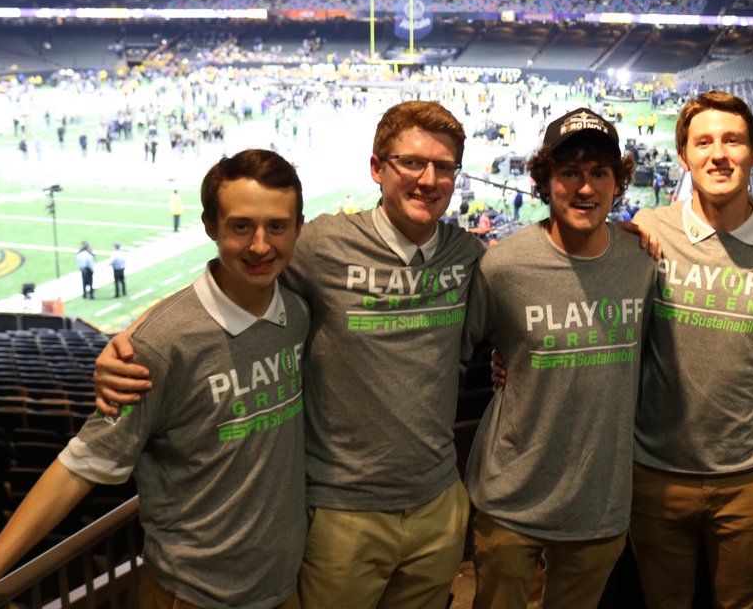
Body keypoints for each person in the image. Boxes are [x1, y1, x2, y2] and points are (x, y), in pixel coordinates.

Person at [95, 101, 486, 609]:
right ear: (377, 168)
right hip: (343, 512)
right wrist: (131, 336)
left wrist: (628, 230)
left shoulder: (468, 254)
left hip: (438, 501)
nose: (428, 179)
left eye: (443, 167)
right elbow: (229, 276)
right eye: (411, 162)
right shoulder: (322, 242)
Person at [0, 149, 310, 609]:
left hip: (283, 584)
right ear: (210, 226)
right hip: (195, 595)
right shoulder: (156, 345)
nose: (260, 245)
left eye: (277, 227)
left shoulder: (299, 310)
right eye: (241, 226)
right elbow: (79, 465)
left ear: (299, 229)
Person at [629, 92, 753, 609]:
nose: (718, 154)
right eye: (703, 142)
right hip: (656, 471)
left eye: (732, 140)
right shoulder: (649, 229)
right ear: (684, 156)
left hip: (749, 478)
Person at [464, 108, 656, 609]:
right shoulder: (503, 265)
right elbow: (460, 348)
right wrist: (503, 360)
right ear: (546, 181)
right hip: (511, 497)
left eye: (599, 173)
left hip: (599, 500)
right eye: (569, 172)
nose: (585, 188)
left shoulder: (643, 262)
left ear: (618, 182)